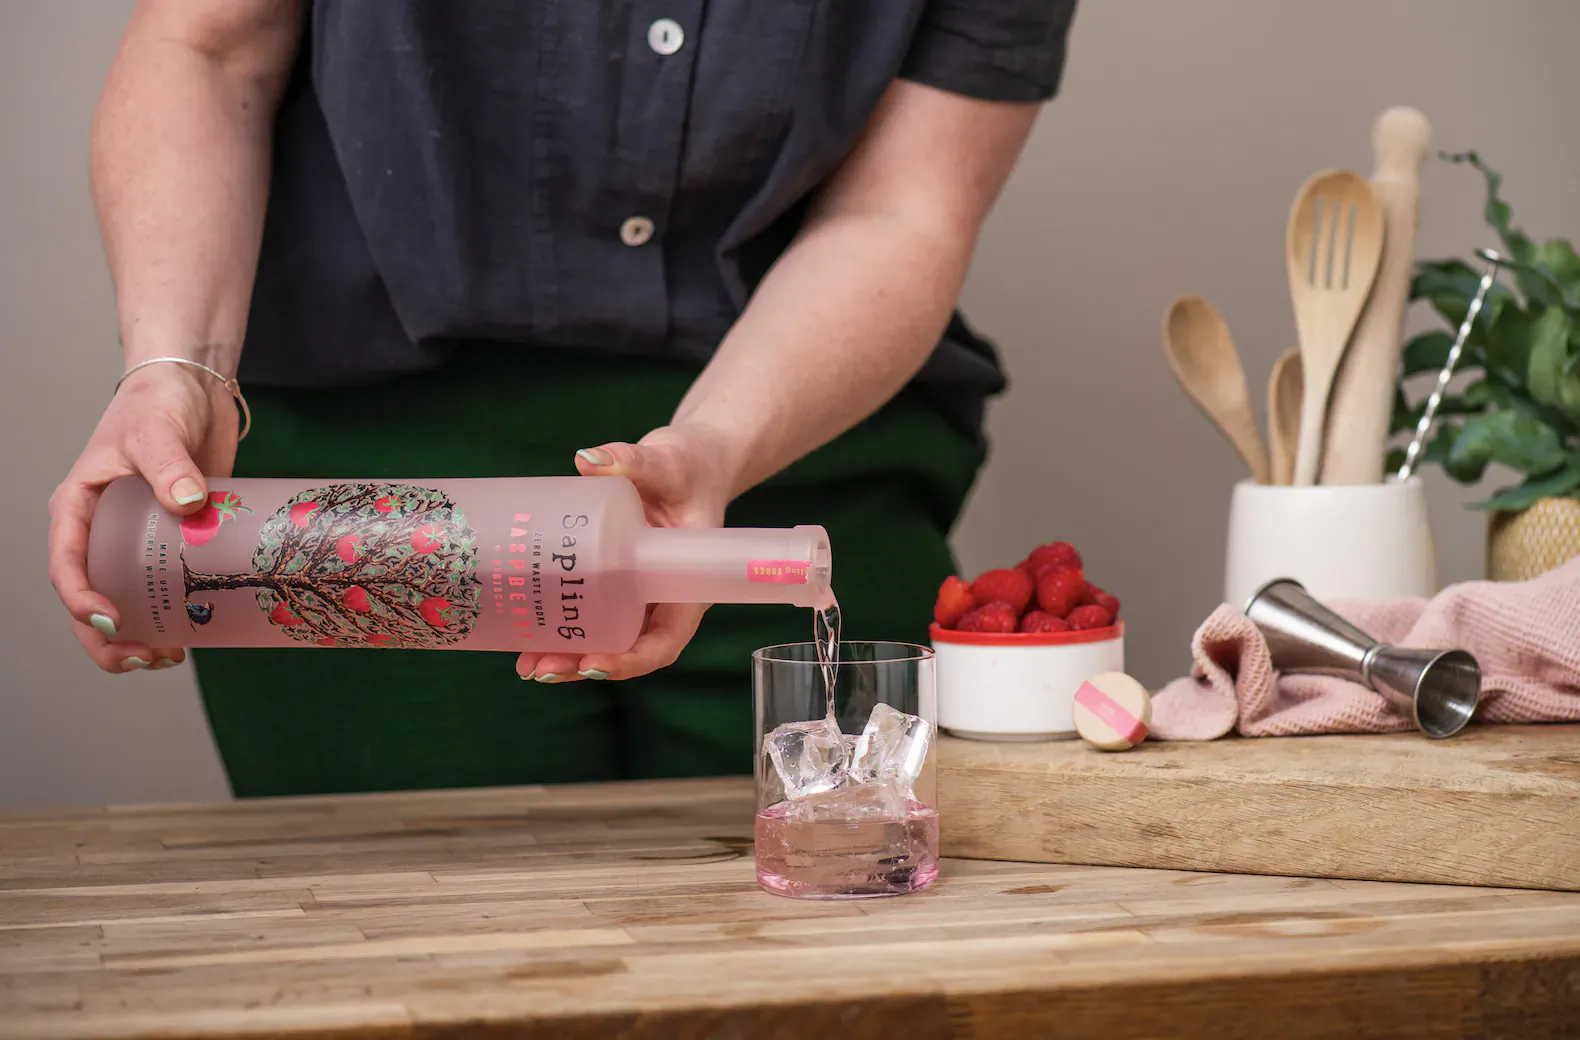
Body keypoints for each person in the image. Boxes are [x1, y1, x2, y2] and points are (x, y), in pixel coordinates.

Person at [48, 0, 1079, 797]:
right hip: (354, 506)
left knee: (836, 945)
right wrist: (173, 367)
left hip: (792, 436)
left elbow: (901, 207)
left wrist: (714, 444)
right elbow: (208, 45)